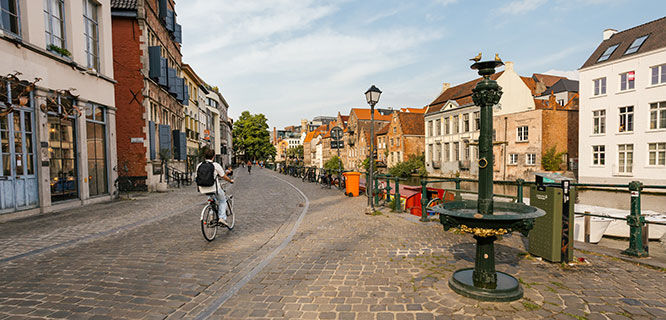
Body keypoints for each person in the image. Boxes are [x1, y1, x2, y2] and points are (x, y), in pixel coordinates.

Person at [196, 148, 234, 225]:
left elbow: (197, 177)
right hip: (213, 188)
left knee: (211, 200)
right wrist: (230, 181)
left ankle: (211, 217)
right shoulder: (215, 165)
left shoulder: (199, 165)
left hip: (203, 189)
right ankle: (222, 218)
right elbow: (223, 176)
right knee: (222, 200)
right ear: (213, 156)